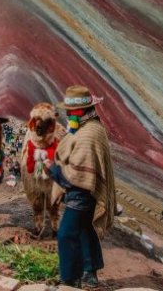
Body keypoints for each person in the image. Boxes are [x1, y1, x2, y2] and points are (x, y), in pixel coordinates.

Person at [44, 85, 115, 289]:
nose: (67, 115)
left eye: (70, 111)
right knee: (84, 228)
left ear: (79, 111)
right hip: (85, 191)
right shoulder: (88, 127)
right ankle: (90, 271)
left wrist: (54, 169)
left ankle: (70, 279)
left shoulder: (88, 135)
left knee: (67, 233)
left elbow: (78, 175)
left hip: (82, 192)